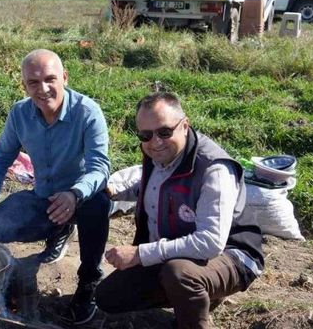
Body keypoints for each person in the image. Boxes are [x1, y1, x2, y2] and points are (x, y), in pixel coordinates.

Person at [0, 49, 111, 326]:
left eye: (50, 79)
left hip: (82, 196)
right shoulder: (20, 113)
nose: (43, 89)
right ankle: (57, 233)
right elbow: (0, 160)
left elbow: (100, 167)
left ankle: (88, 281)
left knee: (99, 206)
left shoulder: (87, 113)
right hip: (43, 198)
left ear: (64, 77)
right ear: (24, 85)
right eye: (33, 82)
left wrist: (74, 194)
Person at [96, 92, 264, 329]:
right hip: (179, 250)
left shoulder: (213, 168)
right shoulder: (159, 155)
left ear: (184, 125)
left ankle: (194, 318)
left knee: (179, 274)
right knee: (108, 297)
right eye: (146, 135)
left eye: (164, 132)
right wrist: (111, 189)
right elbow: (147, 181)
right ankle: (201, 294)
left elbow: (210, 242)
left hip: (233, 254)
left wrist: (140, 254)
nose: (155, 142)